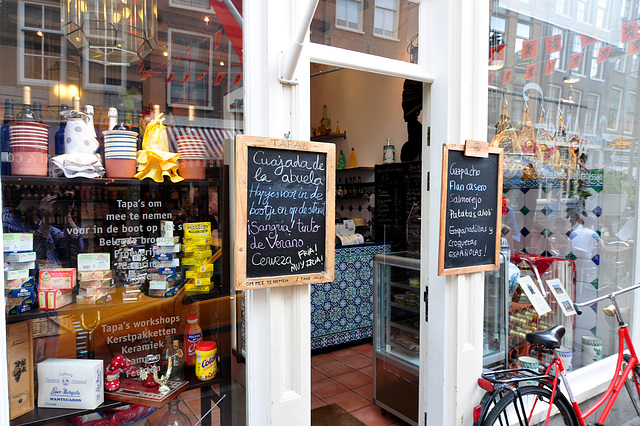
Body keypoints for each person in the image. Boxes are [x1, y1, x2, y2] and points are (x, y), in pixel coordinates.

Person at [3, 187, 83, 269]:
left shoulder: (37, 221)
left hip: (57, 278)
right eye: (46, 195)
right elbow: (29, 262)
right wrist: (46, 224)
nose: (48, 200)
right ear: (28, 195)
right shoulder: (7, 222)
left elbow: (70, 254)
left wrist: (67, 218)